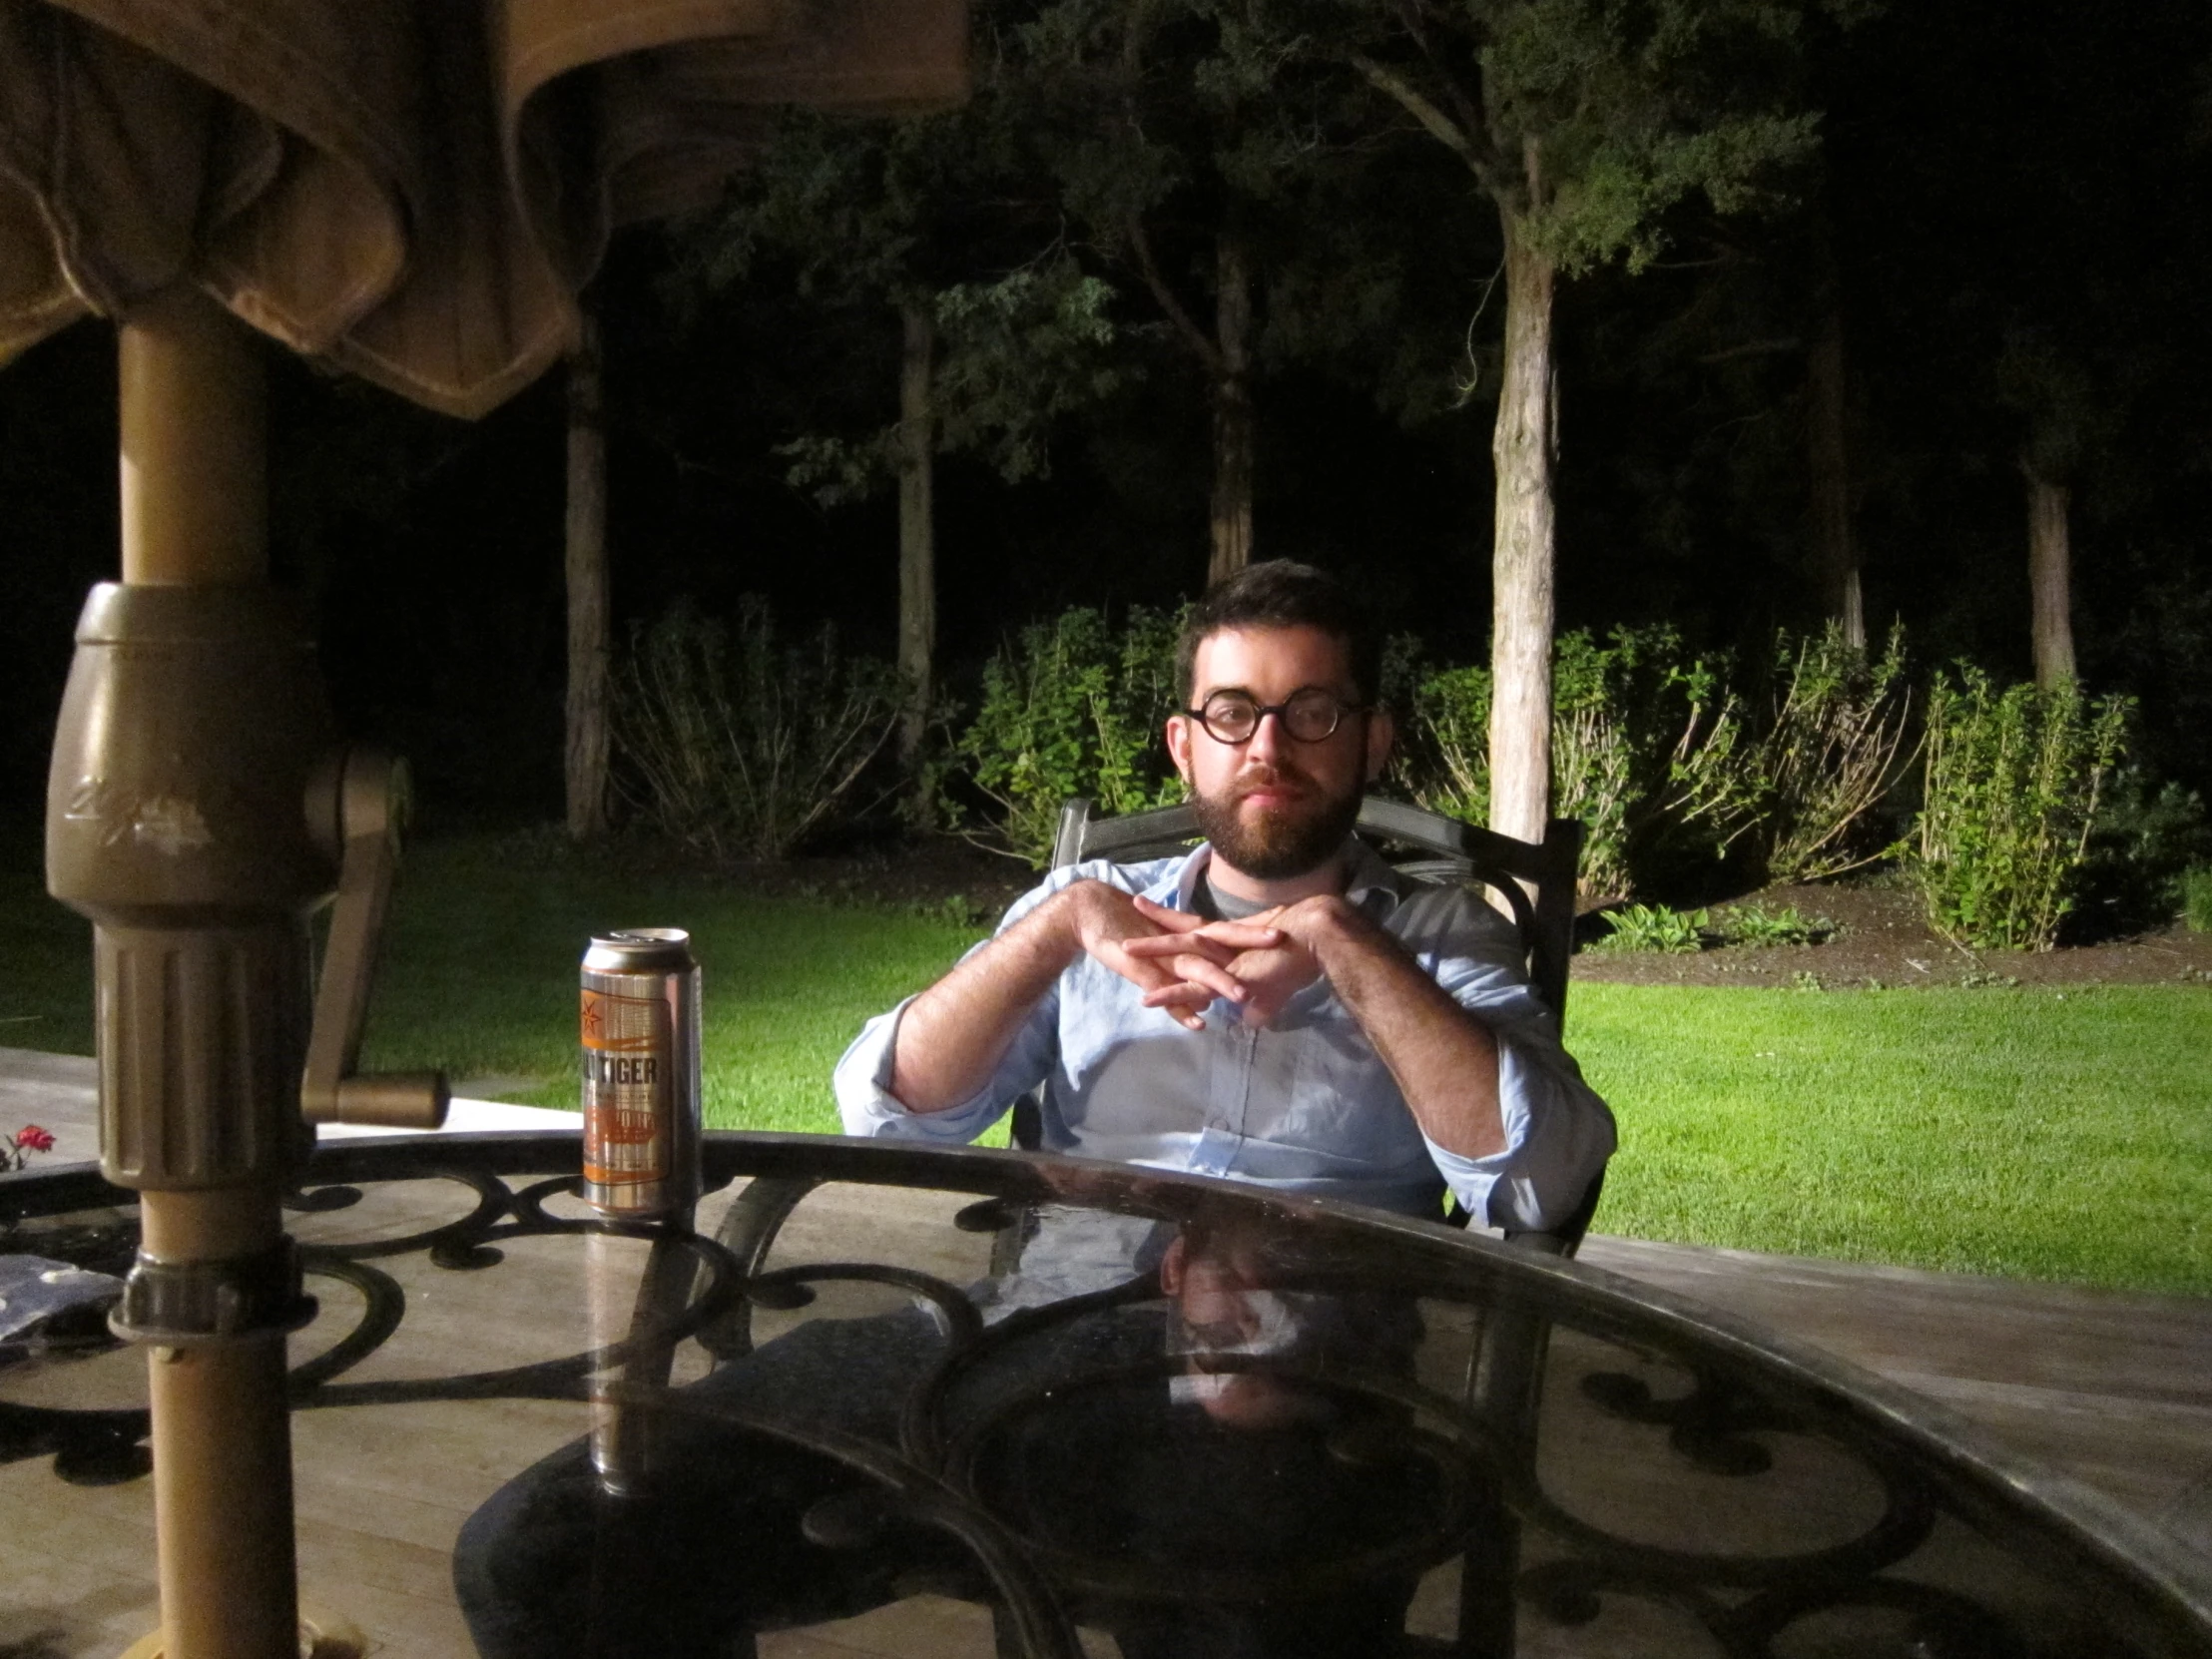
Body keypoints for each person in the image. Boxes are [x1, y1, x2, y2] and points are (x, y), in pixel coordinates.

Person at [836, 559, 1614, 1234]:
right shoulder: (1087, 911)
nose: (1266, 751)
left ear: (1372, 743)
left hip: (1332, 1355)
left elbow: (1543, 1184)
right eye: (1232, 714)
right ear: (1185, 747)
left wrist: (1344, 944)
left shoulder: (1440, 934)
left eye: (1313, 714)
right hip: (1075, 1329)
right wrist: (1056, 928)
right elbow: (883, 1118)